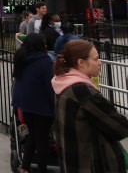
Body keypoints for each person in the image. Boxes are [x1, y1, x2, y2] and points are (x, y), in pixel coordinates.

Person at [52, 40, 128, 172]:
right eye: (96, 59)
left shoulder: (64, 83)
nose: (100, 63)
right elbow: (121, 128)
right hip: (91, 165)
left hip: (74, 163)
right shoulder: (82, 91)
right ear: (81, 62)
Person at [11, 33, 55, 173]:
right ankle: (41, 169)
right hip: (42, 106)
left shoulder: (21, 59)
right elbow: (50, 86)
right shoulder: (45, 61)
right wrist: (54, 104)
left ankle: (25, 168)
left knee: (32, 137)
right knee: (42, 140)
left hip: (25, 106)